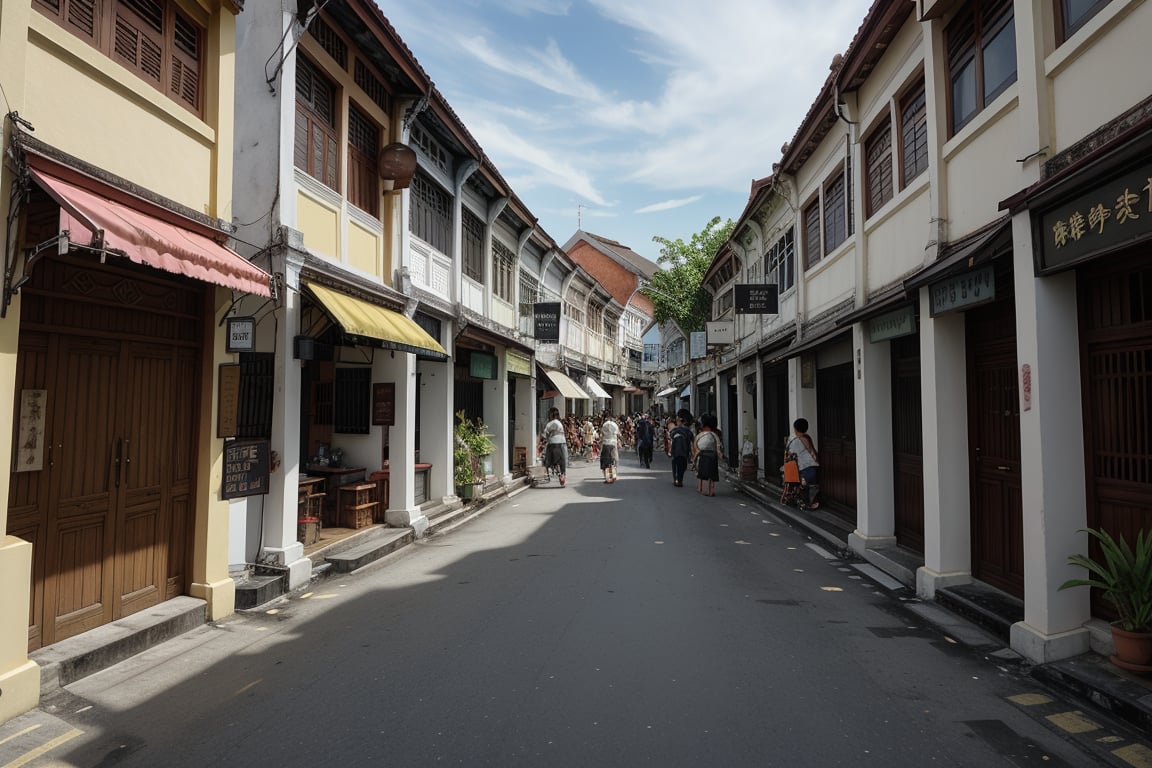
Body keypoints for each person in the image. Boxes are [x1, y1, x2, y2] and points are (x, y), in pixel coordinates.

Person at [787, 417, 820, 509]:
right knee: (812, 486)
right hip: (814, 467)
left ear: (795, 429)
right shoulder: (807, 438)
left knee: (803, 485)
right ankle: (813, 502)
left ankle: (807, 503)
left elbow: (790, 454)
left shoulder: (796, 441)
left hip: (804, 469)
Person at [692, 413, 723, 496]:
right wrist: (720, 455)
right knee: (712, 474)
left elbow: (695, 446)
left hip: (702, 455)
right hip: (713, 456)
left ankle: (700, 488)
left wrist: (694, 458)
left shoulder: (699, 435)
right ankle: (712, 490)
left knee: (701, 473)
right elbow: (718, 446)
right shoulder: (715, 435)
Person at [541, 407, 567, 486]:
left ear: (551, 415)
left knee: (551, 460)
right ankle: (563, 474)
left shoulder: (550, 424)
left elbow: (544, 435)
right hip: (562, 443)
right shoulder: (560, 423)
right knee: (563, 460)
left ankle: (557, 472)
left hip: (553, 444)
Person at [668, 409, 695, 487]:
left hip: (675, 451)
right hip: (684, 451)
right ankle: (679, 480)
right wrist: (692, 454)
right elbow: (692, 442)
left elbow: (670, 440)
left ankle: (676, 479)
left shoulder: (674, 430)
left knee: (675, 465)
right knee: (682, 466)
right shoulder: (688, 431)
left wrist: (670, 450)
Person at [599, 411, 620, 483]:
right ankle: (614, 474)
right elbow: (619, 434)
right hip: (613, 444)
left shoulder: (604, 425)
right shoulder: (615, 425)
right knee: (614, 459)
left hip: (605, 444)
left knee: (604, 461)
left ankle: (606, 477)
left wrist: (599, 443)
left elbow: (601, 435)